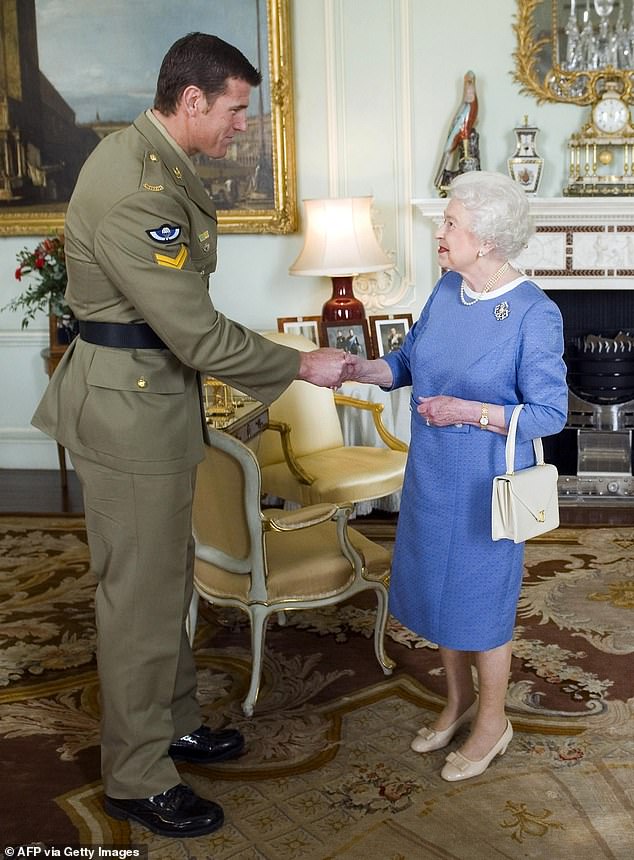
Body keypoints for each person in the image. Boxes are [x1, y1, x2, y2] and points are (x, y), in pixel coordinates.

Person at [31, 33, 349, 839]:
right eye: (236, 109)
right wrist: (300, 363)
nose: (243, 124)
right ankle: (135, 776)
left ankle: (170, 724)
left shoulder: (158, 161)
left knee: (165, 585)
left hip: (149, 402)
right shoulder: (138, 187)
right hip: (129, 414)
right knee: (139, 601)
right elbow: (196, 333)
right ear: (193, 98)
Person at [343, 171, 568, 782]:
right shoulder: (448, 289)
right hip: (433, 474)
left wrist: (470, 411)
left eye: (450, 224)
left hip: (486, 484)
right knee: (438, 595)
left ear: (487, 240)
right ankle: (459, 699)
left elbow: (550, 413)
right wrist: (361, 369)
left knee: (480, 603)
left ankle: (493, 721)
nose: (438, 233)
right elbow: (408, 361)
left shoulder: (534, 312)